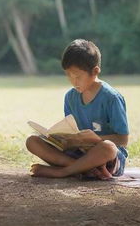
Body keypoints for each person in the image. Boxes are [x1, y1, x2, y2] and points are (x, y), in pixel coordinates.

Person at [26, 39, 129, 179]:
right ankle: (82, 168)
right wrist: (66, 140)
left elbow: (123, 139)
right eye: (68, 75)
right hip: (78, 153)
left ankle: (63, 171)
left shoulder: (111, 98)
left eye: (78, 76)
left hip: (105, 157)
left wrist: (97, 139)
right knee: (32, 141)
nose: (73, 81)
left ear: (95, 71)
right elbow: (71, 129)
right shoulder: (70, 97)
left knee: (108, 147)